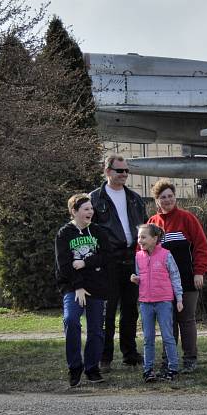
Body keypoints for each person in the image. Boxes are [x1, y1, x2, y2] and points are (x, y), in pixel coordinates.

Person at [90, 154, 147, 370]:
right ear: (107, 171)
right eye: (119, 171)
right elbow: (89, 231)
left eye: (126, 171)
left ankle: (129, 354)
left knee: (131, 309)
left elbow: (144, 228)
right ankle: (105, 357)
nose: (123, 175)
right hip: (107, 261)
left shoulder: (134, 198)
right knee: (108, 309)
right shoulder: (94, 199)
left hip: (132, 258)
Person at [148, 179, 207, 374]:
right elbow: (143, 251)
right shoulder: (153, 223)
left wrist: (199, 271)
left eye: (170, 196)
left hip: (187, 279)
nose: (167, 200)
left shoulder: (187, 218)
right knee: (168, 320)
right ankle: (169, 359)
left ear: (175, 197)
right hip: (162, 282)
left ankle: (190, 358)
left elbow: (201, 247)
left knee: (186, 319)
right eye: (162, 197)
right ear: (157, 201)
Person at [54, 193, 111, 387]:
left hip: (97, 286)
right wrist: (77, 286)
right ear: (74, 211)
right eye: (86, 209)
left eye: (91, 208)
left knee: (96, 329)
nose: (91, 212)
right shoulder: (64, 233)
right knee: (71, 320)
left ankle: (92, 368)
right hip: (73, 287)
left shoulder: (98, 232)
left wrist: (86, 261)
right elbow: (64, 264)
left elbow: (106, 256)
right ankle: (75, 368)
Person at [131, 223, 184, 383]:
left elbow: (175, 276)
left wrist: (179, 298)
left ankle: (173, 368)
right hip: (145, 303)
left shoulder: (166, 255)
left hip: (163, 302)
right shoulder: (138, 256)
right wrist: (135, 279)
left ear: (155, 238)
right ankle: (148, 370)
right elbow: (139, 276)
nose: (140, 240)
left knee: (168, 336)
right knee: (148, 338)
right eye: (139, 237)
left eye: (143, 237)